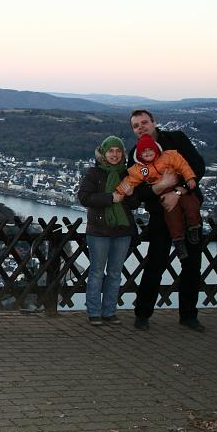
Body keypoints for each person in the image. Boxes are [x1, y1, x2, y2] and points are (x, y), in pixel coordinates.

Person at [127, 110, 206, 332]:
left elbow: (198, 168)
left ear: (154, 123)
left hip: (188, 212)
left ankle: (189, 316)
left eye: (144, 122)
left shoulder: (176, 140)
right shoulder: (136, 155)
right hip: (160, 214)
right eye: (136, 125)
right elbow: (137, 192)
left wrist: (177, 191)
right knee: (155, 265)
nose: (141, 127)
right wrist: (160, 188)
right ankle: (142, 314)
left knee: (192, 265)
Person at [77, 135, 139, 326]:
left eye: (118, 151)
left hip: (122, 231)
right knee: (96, 272)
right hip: (98, 230)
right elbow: (84, 198)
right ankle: (94, 312)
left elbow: (136, 204)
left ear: (122, 154)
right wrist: (110, 198)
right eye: (111, 151)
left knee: (115, 272)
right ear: (103, 153)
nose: (114, 154)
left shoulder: (129, 174)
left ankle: (109, 311)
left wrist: (130, 195)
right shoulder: (94, 173)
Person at [118, 133, 202, 260]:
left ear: (156, 149)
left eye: (150, 150)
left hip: (180, 186)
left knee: (191, 205)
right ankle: (178, 241)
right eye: (143, 152)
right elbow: (130, 181)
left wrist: (189, 178)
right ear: (139, 155)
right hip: (164, 194)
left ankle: (194, 228)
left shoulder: (169, 156)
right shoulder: (139, 169)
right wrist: (120, 191)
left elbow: (183, 165)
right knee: (172, 216)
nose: (147, 153)